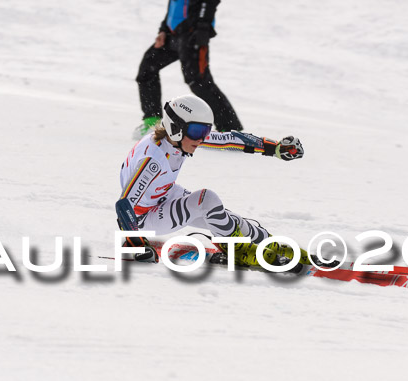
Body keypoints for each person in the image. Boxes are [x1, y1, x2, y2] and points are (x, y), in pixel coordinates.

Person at [118, 94, 305, 267]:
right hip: (144, 217)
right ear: (175, 127)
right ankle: (239, 250)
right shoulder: (154, 159)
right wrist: (137, 243)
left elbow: (229, 140)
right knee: (206, 200)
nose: (202, 138)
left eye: (205, 130)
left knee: (229, 218)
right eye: (197, 130)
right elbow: (124, 204)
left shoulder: (179, 139)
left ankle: (273, 244)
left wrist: (276, 149)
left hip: (163, 195)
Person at [134, 0, 242, 138]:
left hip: (192, 33)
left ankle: (230, 130)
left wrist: (202, 28)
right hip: (172, 34)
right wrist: (163, 30)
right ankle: (152, 122)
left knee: (198, 81)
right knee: (147, 69)